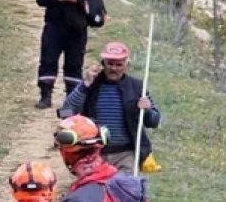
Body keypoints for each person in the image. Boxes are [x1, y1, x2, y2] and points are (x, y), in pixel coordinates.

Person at [61, 42, 160, 172]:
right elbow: (67, 111)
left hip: (126, 154)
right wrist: (84, 85)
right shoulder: (90, 84)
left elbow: (154, 121)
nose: (114, 68)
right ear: (103, 63)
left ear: (126, 66)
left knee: (124, 190)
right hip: (94, 153)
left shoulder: (137, 87)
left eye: (119, 65)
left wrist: (147, 110)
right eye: (110, 64)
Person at [35, 0, 101, 110]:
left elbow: (96, 1)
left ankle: (72, 99)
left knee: (74, 64)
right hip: (54, 27)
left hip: (77, 30)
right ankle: (45, 96)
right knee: (48, 60)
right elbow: (40, 0)